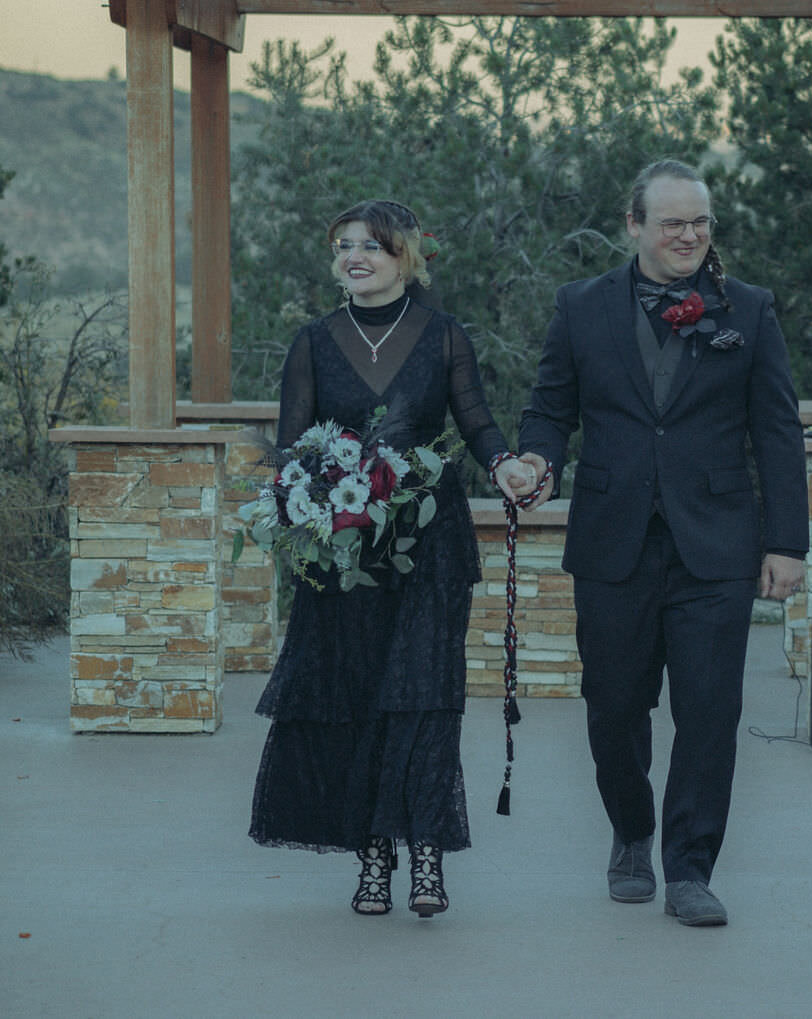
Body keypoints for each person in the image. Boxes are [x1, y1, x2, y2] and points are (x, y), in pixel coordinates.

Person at [517, 160, 808, 927]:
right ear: (634, 225)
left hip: (717, 544)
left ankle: (689, 868)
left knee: (709, 710)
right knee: (613, 706)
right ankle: (632, 828)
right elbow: (550, 410)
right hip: (614, 541)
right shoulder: (580, 307)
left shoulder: (748, 308)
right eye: (673, 222)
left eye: (701, 222)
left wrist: (787, 542)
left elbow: (777, 431)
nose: (689, 235)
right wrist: (537, 460)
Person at [248, 199, 535, 918]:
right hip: (344, 556)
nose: (354, 257)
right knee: (355, 701)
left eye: (370, 246)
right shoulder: (312, 342)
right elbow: (291, 450)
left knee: (424, 699)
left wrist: (502, 463)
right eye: (343, 245)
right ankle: (374, 857)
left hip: (429, 547)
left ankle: (427, 857)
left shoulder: (443, 336)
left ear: (404, 256)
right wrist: (307, 504)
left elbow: (475, 421)